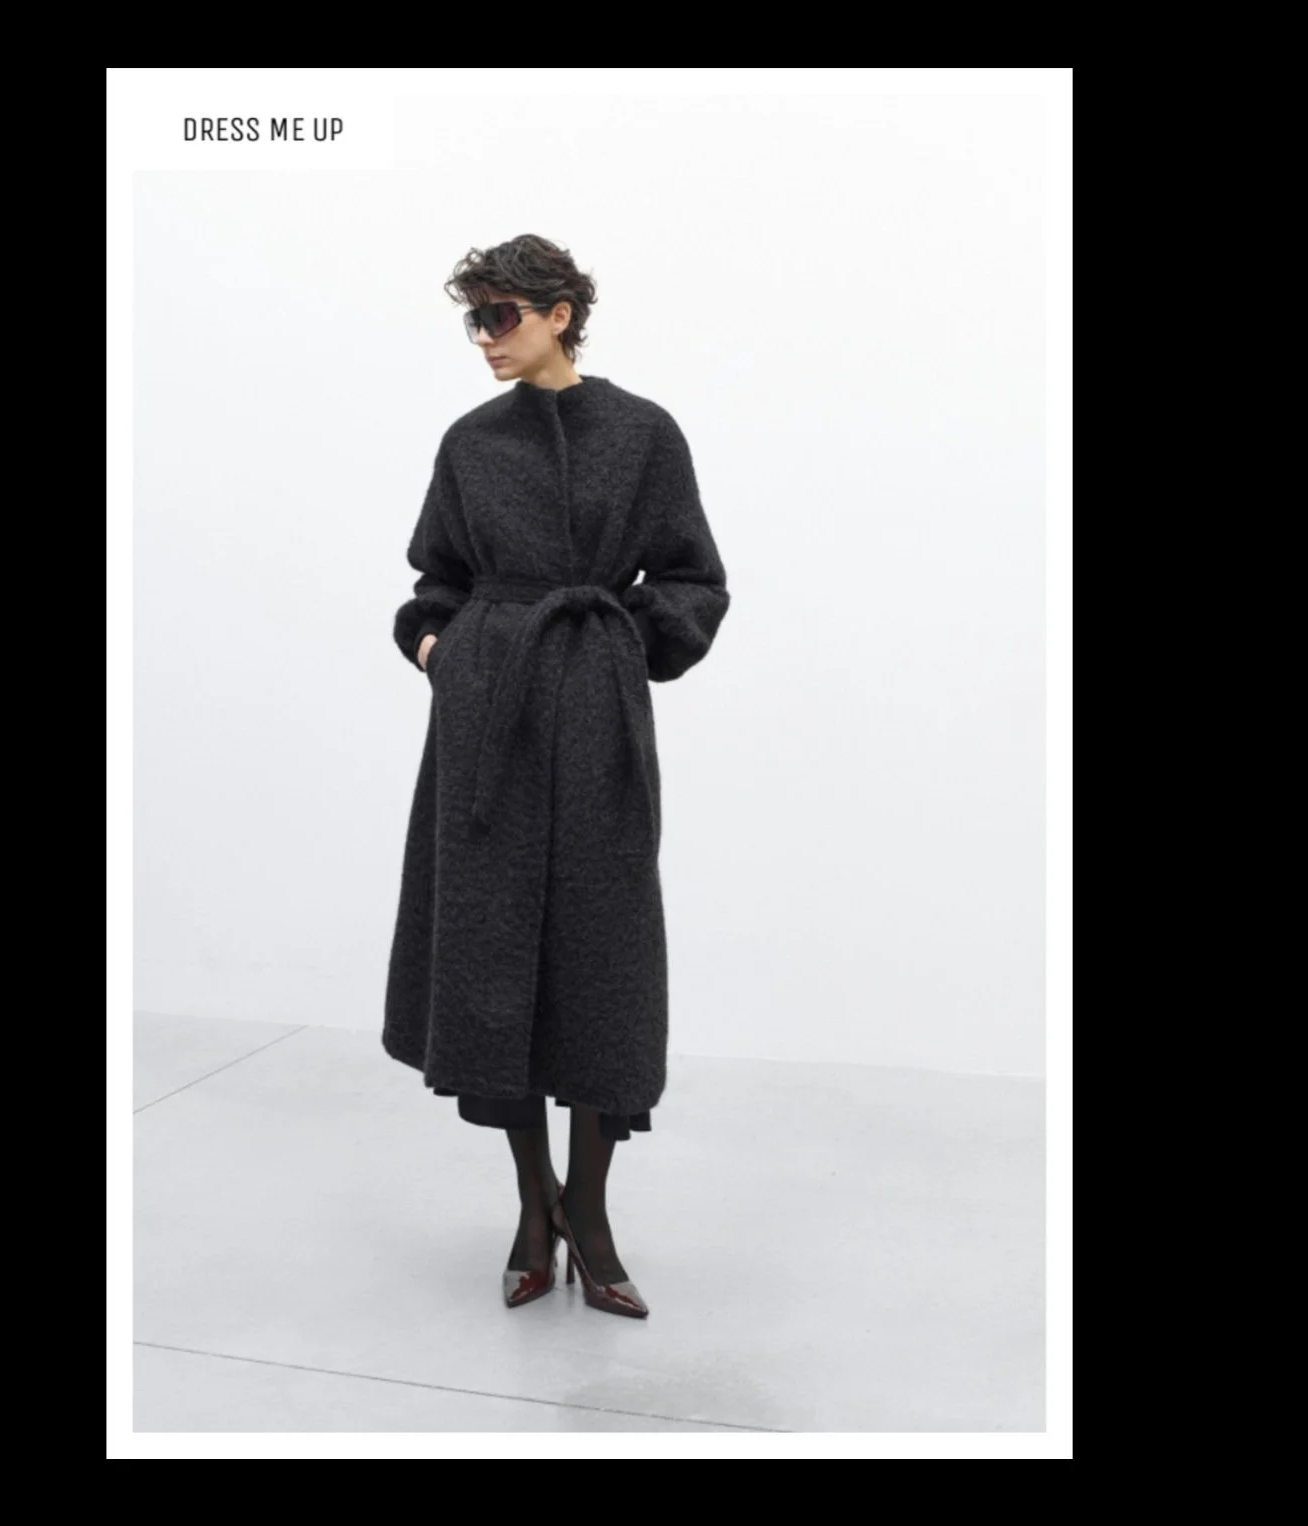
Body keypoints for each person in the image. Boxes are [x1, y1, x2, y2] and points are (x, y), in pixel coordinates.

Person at [383, 233, 730, 1318]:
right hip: (488, 719)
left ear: (561, 313)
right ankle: (534, 1211)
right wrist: (440, 650)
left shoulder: (643, 433)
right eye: (474, 319)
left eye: (502, 316)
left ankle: (591, 1209)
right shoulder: (469, 442)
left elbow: (694, 579)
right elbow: (435, 578)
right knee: (493, 963)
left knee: (600, 958)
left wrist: (623, 646)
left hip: (594, 719)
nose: (485, 339)